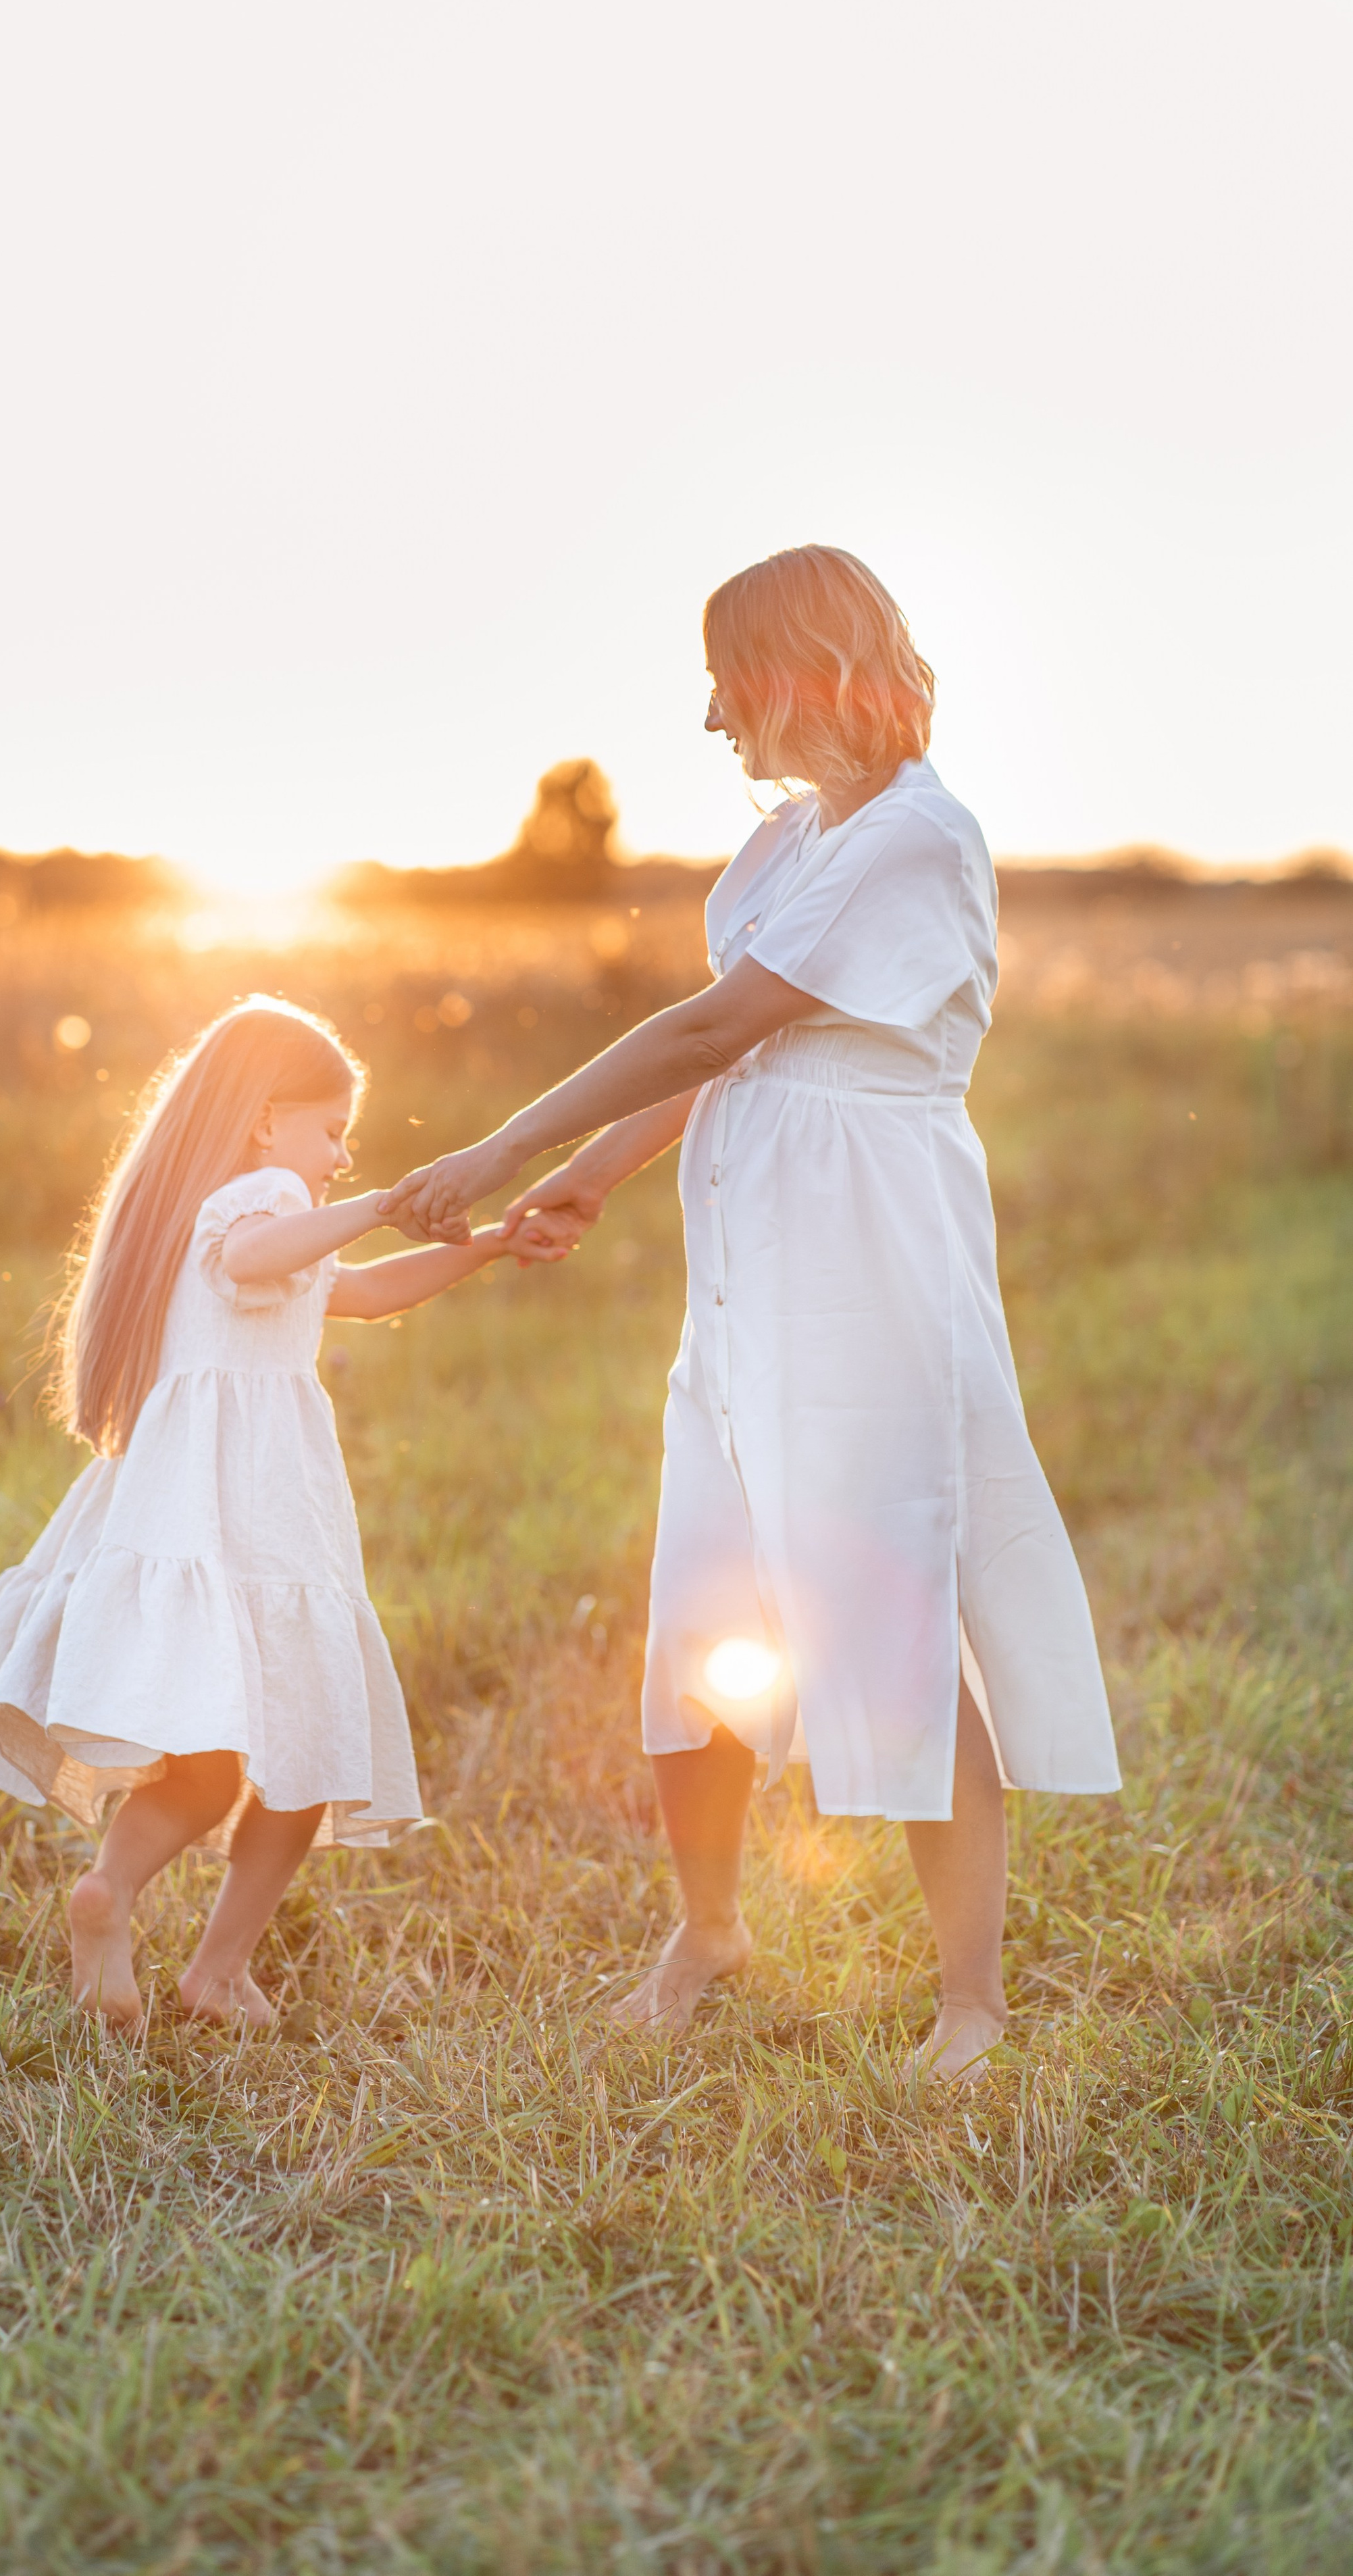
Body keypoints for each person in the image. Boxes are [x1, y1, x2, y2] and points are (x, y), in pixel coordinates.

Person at [384, 545, 1121, 2081]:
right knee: (702, 1602)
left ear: (794, 669)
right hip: (741, 1269)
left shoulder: (917, 837)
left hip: (866, 1257)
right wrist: (593, 1175)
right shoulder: (789, 846)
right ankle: (708, 1928)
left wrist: (505, 1143)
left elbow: (721, 1020)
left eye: (726, 677)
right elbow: (725, 1062)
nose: (710, 715)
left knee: (891, 1608)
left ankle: (967, 2001)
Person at [0, 995, 567, 2029]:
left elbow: (372, 1295)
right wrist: (382, 1198)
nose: (341, 1155)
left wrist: (487, 1248)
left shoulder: (243, 1212)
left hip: (189, 1503)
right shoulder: (250, 1201)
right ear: (264, 1120)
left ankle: (110, 1890)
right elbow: (263, 1256)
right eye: (331, 1130)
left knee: (209, 1775)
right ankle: (217, 1968)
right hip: (251, 1505)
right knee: (309, 1745)